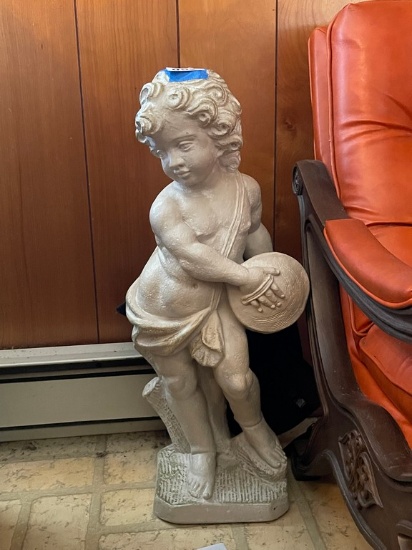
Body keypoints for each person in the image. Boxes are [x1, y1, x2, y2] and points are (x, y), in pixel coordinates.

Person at [126, 68, 287, 500]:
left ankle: (255, 428)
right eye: (162, 151)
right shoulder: (166, 206)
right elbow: (193, 257)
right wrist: (246, 276)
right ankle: (201, 450)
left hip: (218, 303)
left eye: (183, 145)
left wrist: (270, 271)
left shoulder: (245, 190)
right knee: (181, 384)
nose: (173, 161)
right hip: (163, 310)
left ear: (219, 137)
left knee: (237, 380)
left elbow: (254, 234)